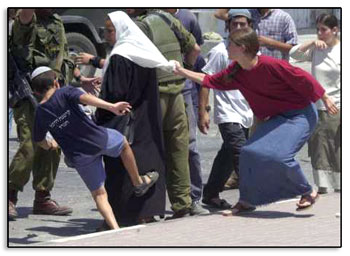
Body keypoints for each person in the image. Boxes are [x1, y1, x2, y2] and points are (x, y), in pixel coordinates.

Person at [173, 27, 338, 215]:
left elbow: (304, 78)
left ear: (242, 48)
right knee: (248, 152)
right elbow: (209, 80)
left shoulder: (270, 65)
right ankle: (246, 201)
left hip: (300, 115)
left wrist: (325, 98)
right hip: (277, 117)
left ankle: (307, 192)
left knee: (281, 156)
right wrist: (183, 72)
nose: (226, 47)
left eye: (230, 44)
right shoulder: (236, 71)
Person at [31, 66, 159, 230]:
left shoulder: (40, 113)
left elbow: (39, 140)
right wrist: (111, 106)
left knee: (99, 194)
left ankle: (115, 229)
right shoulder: (64, 92)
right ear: (56, 83)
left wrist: (51, 145)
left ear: (36, 92)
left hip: (79, 157)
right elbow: (85, 98)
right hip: (98, 139)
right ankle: (138, 182)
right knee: (123, 144)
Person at [8, 9, 97, 219]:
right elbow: (25, 22)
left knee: (54, 146)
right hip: (31, 94)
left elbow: (63, 55)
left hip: (55, 92)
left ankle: (42, 197)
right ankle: (9, 197)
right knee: (30, 146)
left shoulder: (56, 21)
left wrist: (80, 78)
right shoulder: (26, 18)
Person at [94, 11, 170, 226]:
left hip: (125, 122)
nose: (106, 36)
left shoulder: (120, 56)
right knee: (147, 162)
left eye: (110, 31)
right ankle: (147, 212)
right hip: (146, 119)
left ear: (121, 30)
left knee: (120, 168)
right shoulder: (141, 52)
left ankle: (122, 216)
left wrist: (101, 109)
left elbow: (117, 92)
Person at [135, 9, 201, 218]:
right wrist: (186, 70)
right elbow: (195, 49)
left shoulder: (140, 25)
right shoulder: (169, 20)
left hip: (155, 96)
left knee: (150, 149)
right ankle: (182, 203)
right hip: (177, 93)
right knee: (179, 150)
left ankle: (151, 208)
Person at [200, 9, 254, 209]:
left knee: (227, 156)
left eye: (243, 24)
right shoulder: (221, 51)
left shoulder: (250, 51)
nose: (239, 28)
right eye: (234, 24)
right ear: (227, 26)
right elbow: (206, 80)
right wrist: (203, 111)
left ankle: (211, 193)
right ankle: (249, 197)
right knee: (241, 153)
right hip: (227, 113)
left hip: (245, 112)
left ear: (249, 26)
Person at [163, 8, 209, 215]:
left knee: (189, 146)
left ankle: (194, 198)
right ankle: (167, 201)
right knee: (162, 146)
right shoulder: (149, 16)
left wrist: (203, 109)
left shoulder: (188, 18)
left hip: (185, 91)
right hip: (160, 91)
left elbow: (196, 53)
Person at [290, 13, 340, 194]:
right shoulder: (317, 49)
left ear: (335, 30)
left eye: (324, 30)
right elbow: (293, 54)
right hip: (316, 104)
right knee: (318, 147)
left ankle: (340, 185)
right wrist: (311, 43)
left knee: (335, 146)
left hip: (336, 105)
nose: (320, 33)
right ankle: (323, 186)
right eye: (317, 29)